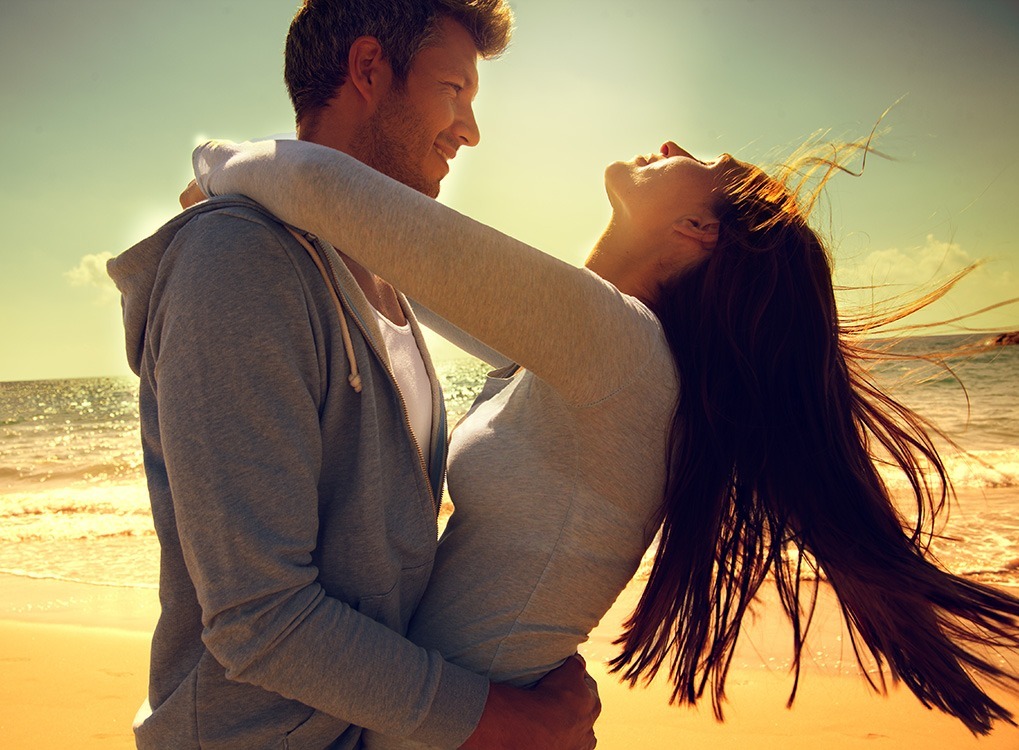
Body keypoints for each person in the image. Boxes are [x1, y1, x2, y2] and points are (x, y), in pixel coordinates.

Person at [188, 131, 1019, 744]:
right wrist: (270, 206)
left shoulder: (617, 348)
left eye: (706, 161)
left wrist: (212, 170)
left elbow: (317, 183)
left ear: (697, 228)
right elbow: (385, 253)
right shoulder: (610, 360)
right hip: (465, 725)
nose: (673, 144)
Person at [106, 2, 601, 749]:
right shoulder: (238, 264)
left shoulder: (382, 281)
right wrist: (507, 723)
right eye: (453, 90)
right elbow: (260, 617)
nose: (469, 130)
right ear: (369, 68)